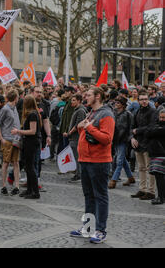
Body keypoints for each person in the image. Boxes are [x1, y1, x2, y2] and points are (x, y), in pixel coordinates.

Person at [70, 87, 115, 244]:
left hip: (99, 161)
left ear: (97, 96)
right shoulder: (91, 113)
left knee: (100, 196)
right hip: (86, 160)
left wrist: (89, 127)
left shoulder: (106, 114)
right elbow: (83, 129)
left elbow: (107, 138)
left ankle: (101, 230)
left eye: (88, 95)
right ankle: (88, 228)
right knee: (89, 196)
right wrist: (82, 126)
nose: (85, 97)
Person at [11, 95, 41, 199]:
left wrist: (18, 131)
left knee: (31, 167)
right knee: (28, 167)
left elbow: (32, 131)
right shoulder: (31, 114)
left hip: (31, 143)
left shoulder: (33, 114)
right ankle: (29, 189)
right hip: (28, 142)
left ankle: (35, 192)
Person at [129, 90, 156, 200]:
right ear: (138, 101)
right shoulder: (137, 111)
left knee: (150, 169)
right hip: (138, 143)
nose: (144, 101)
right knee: (141, 168)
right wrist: (132, 138)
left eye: (146, 99)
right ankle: (142, 189)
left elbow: (152, 127)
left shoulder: (153, 111)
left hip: (149, 143)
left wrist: (137, 131)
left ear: (148, 100)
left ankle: (151, 191)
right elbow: (131, 128)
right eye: (142, 99)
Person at [0, 90, 21, 196]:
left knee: (16, 163)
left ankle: (17, 186)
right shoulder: (5, 109)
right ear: (15, 98)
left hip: (16, 140)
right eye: (18, 97)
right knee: (5, 163)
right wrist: (1, 138)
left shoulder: (15, 108)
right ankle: (3, 186)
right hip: (7, 139)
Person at [108, 96, 134, 189]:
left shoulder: (128, 114)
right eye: (115, 102)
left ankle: (113, 180)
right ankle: (130, 177)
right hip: (115, 139)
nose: (116, 104)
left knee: (119, 161)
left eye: (118, 103)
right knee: (122, 160)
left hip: (123, 140)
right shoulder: (114, 113)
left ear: (122, 105)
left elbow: (131, 127)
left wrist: (129, 138)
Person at [66, 94, 87, 182]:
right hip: (73, 137)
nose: (72, 102)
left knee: (78, 157)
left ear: (79, 101)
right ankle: (78, 173)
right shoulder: (77, 110)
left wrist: (69, 133)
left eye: (74, 100)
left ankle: (79, 175)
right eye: (72, 100)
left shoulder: (81, 110)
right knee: (76, 157)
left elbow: (78, 124)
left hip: (76, 137)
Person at [146, 109, 165, 205]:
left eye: (164, 117)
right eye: (161, 117)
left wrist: (154, 131)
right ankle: (161, 197)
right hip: (155, 153)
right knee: (158, 177)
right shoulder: (156, 124)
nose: (162, 119)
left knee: (160, 177)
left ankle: (161, 197)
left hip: (161, 154)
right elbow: (148, 132)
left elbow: (151, 132)